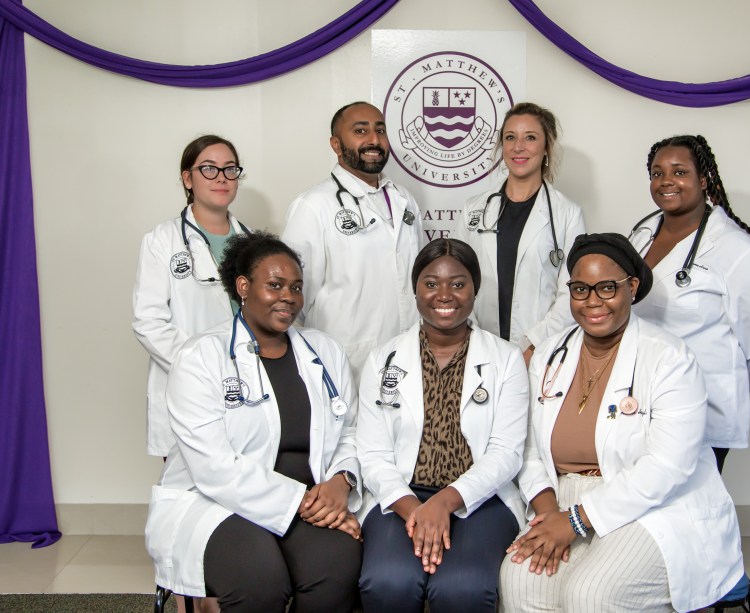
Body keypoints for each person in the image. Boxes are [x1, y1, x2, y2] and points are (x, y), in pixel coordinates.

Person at [500, 234, 744, 613]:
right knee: (519, 580)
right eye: (580, 289)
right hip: (563, 495)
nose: (593, 301)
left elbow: (667, 466)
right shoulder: (550, 354)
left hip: (651, 505)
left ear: (632, 287)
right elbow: (527, 445)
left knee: (592, 594)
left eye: (607, 288)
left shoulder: (670, 359)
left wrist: (577, 521)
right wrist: (548, 510)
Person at [145, 232, 362, 612]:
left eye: (296, 287)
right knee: (259, 580)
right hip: (219, 503)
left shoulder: (325, 351)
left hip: (312, 497)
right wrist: (302, 502)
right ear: (243, 287)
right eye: (274, 285)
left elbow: (352, 430)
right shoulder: (201, 357)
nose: (289, 297)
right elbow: (214, 468)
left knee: (337, 567)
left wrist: (341, 482)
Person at [356, 238, 529, 613]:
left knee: (463, 589)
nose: (444, 294)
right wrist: (415, 510)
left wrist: (445, 502)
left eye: (458, 283)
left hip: (480, 498)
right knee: (388, 581)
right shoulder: (382, 360)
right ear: (415, 290)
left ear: (475, 290)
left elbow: (507, 452)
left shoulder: (506, 359)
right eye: (431, 283)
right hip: (401, 496)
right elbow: (371, 454)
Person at [629, 134, 750, 471]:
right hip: (642, 399)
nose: (666, 181)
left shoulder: (739, 251)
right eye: (657, 174)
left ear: (703, 180)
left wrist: (728, 378)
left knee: (690, 510)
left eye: (679, 172)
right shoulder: (642, 233)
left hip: (704, 402)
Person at [282, 101, 424, 377]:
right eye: (360, 131)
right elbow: (293, 297)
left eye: (380, 131)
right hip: (344, 360)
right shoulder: (313, 206)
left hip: (406, 354)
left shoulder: (404, 199)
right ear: (336, 144)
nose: (374, 140)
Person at [133, 135, 250, 457]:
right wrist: (198, 367)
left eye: (230, 169)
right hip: (189, 382)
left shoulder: (253, 242)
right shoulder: (163, 240)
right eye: (209, 169)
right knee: (187, 495)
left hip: (246, 380)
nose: (222, 178)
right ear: (188, 178)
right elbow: (149, 322)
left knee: (246, 483)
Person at [451, 102, 585, 366]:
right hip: (476, 345)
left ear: (547, 147)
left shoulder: (567, 214)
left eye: (530, 138)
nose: (518, 147)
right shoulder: (473, 209)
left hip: (538, 351)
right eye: (510, 137)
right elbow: (456, 280)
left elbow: (572, 290)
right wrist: (473, 337)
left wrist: (534, 346)